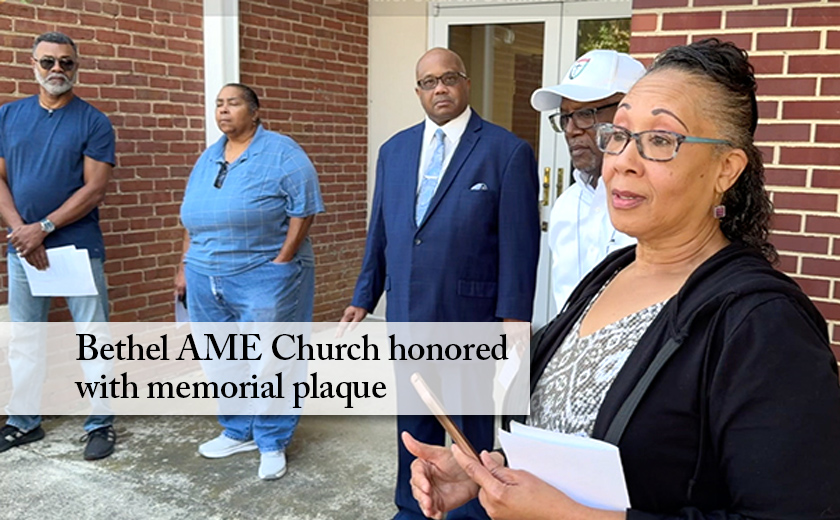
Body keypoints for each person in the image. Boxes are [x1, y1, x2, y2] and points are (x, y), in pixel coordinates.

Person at [405, 39, 840, 520]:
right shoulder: (608, 276)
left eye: (660, 140)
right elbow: (579, 438)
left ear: (726, 169)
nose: (623, 161)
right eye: (619, 134)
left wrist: (564, 515)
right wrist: (490, 472)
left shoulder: (762, 327)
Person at [340, 48, 540, 519]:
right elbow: (382, 231)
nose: (440, 89)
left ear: (466, 84)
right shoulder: (395, 151)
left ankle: (473, 511)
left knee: (469, 430)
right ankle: (414, 506)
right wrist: (363, 297)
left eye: (449, 78)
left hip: (470, 319)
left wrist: (515, 318)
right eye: (429, 82)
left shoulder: (505, 151)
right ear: (418, 92)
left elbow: (519, 244)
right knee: (413, 424)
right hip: (407, 316)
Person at [175, 83, 324, 480]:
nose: (223, 111)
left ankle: (272, 439)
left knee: (274, 358)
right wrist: (184, 265)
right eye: (218, 104)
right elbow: (191, 215)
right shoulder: (209, 157)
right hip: (206, 274)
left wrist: (282, 262)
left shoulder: (282, 152)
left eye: (233, 103)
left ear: (255, 111)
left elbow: (304, 209)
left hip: (264, 273)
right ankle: (238, 429)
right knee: (221, 358)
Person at [0, 32, 117, 461]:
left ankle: (101, 422)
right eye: (48, 62)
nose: (57, 70)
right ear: (32, 64)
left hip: (77, 247)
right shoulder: (7, 116)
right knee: (26, 339)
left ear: (76, 67)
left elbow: (95, 188)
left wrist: (43, 228)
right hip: (22, 249)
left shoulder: (93, 121)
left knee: (94, 336)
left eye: (66, 63)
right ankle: (24, 421)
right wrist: (20, 231)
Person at [530, 50, 643, 311]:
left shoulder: (658, 202)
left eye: (585, 113)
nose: (571, 129)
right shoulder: (566, 207)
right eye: (566, 117)